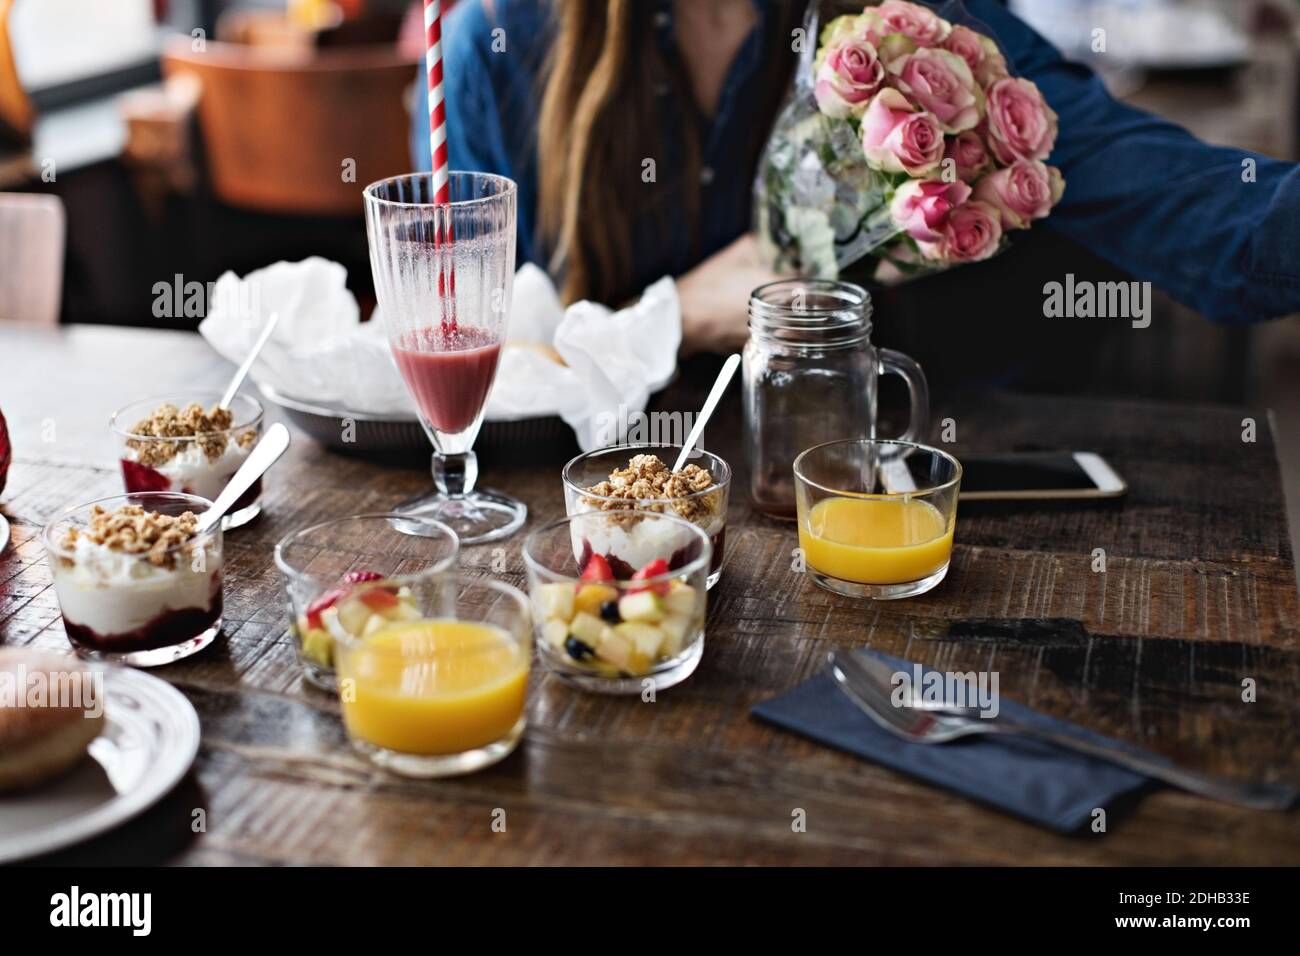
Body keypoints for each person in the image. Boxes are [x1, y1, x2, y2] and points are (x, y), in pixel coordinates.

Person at [412, 0, 1300, 360]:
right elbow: (473, 373)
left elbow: (1216, 224)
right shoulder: (497, 43)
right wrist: (678, 315)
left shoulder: (923, 31)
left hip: (854, 528)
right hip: (596, 549)